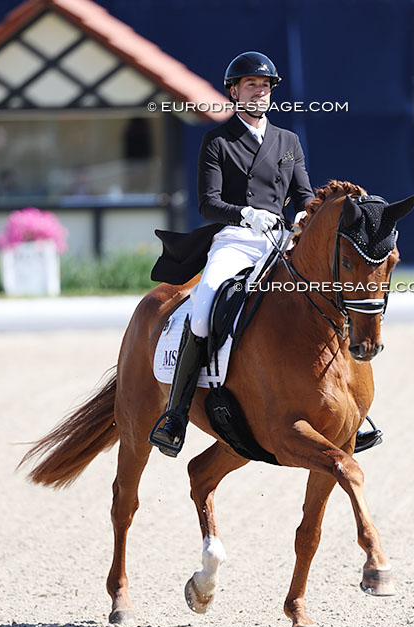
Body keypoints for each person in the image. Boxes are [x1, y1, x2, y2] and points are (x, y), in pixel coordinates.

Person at [149, 51, 381, 457]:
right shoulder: (218, 141)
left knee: (329, 299)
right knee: (202, 311)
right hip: (236, 240)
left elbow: (305, 194)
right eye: (251, 85)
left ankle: (352, 412)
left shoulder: (288, 141)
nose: (260, 92)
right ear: (234, 92)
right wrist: (246, 214)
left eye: (265, 86)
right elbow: (208, 202)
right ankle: (176, 414)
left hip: (280, 239)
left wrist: (305, 219)